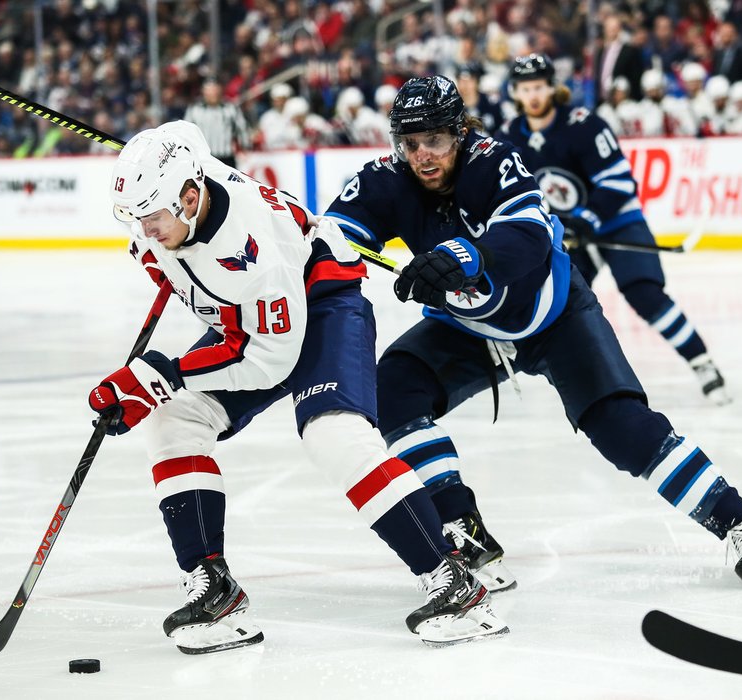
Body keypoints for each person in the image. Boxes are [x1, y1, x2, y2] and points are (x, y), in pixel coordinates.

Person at [324, 75, 742, 596]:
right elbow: (330, 235)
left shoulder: (493, 158)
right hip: (467, 327)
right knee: (391, 395)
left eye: (436, 140)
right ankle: (464, 531)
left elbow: (528, 235)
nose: (422, 156)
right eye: (410, 143)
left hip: (555, 317)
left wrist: (464, 256)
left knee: (621, 427)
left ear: (461, 132)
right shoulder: (384, 178)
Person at [90, 120, 507, 653]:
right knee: (176, 421)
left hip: (324, 306)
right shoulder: (180, 181)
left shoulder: (248, 249)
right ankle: (214, 587)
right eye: (135, 219)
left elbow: (267, 362)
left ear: (191, 198)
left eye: (153, 218)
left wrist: (158, 377)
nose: (144, 231)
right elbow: (184, 131)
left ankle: (454, 585)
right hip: (251, 320)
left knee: (334, 435)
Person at [498, 55, 730, 405]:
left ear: (552, 87)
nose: (533, 95)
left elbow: (619, 181)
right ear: (515, 92)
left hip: (616, 220)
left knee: (645, 293)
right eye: (525, 88)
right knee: (560, 303)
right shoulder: (510, 136)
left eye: (539, 87)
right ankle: (584, 381)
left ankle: (702, 363)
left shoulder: (584, 124)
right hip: (572, 232)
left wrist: (588, 218)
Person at [182, 80, 249, 168]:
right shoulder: (195, 110)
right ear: (203, 92)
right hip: (204, 159)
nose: (212, 94)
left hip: (227, 157)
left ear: (220, 91)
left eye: (215, 91)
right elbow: (186, 132)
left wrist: (245, 146)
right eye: (209, 91)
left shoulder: (230, 108)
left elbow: (241, 128)